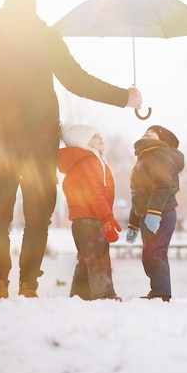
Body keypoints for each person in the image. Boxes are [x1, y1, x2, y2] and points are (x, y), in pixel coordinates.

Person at [0, 0, 142, 299]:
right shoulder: (45, 37)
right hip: (41, 139)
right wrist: (124, 97)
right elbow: (77, 81)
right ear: (33, 7)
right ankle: (29, 288)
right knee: (38, 217)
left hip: (2, 139)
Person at [58, 124, 122, 301]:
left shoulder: (86, 161)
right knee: (99, 256)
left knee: (87, 258)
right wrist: (107, 218)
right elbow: (94, 193)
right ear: (82, 142)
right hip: (91, 218)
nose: (101, 138)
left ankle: (80, 294)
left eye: (100, 134)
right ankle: (104, 294)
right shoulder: (89, 161)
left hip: (82, 220)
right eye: (94, 136)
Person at [125, 126, 184, 301]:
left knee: (155, 252)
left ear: (162, 139)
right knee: (150, 253)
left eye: (153, 131)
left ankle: (161, 294)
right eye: (146, 130)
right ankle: (158, 291)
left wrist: (154, 212)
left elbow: (163, 185)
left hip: (162, 213)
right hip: (150, 214)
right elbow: (138, 194)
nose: (147, 131)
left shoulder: (159, 154)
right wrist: (133, 223)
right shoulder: (145, 157)